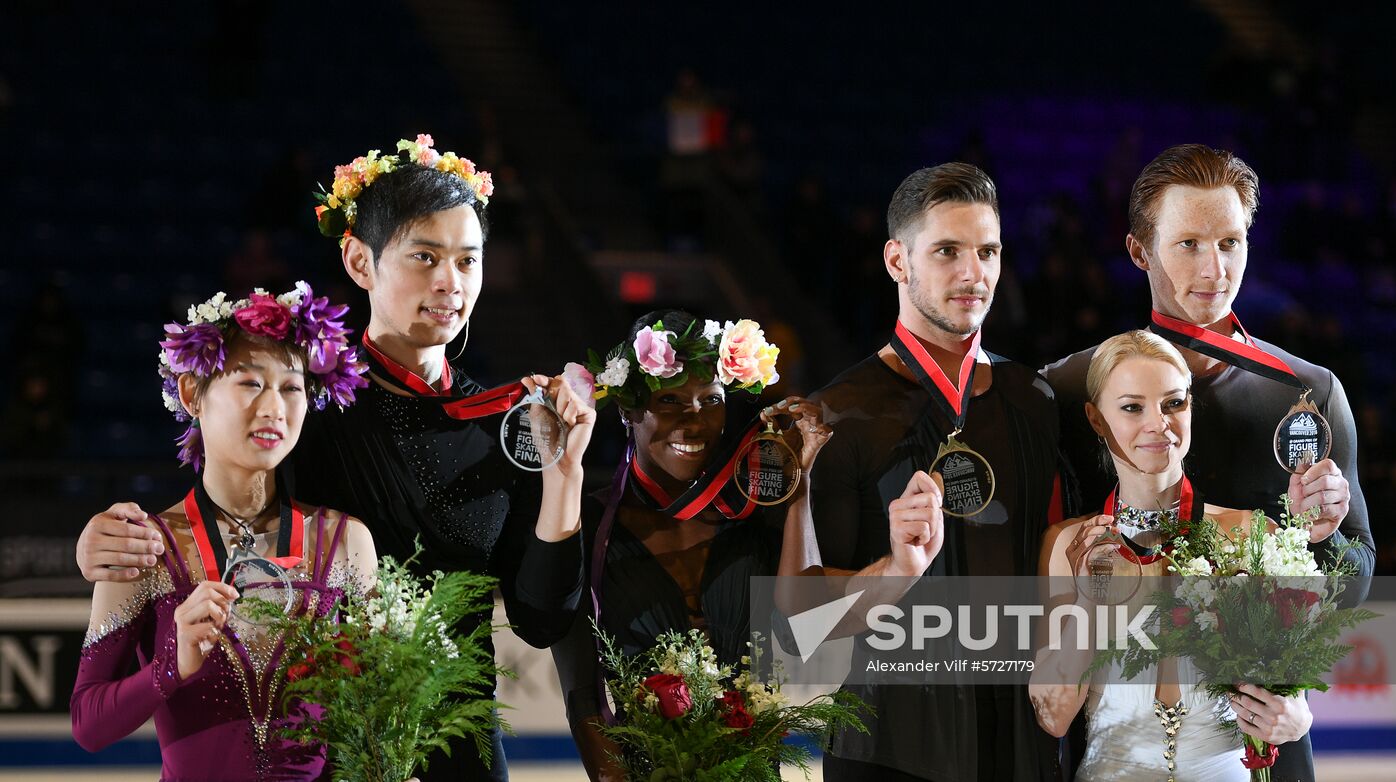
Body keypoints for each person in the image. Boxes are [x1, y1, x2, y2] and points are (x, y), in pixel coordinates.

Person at [74, 135, 596, 781]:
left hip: (462, 748)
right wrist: (107, 544)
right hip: (331, 754)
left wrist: (563, 475)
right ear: (358, 261)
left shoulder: (507, 422)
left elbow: (541, 623)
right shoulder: (303, 404)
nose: (448, 283)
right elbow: (219, 512)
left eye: (468, 261)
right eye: (424, 257)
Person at [1043, 143, 1373, 780]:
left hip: (1259, 742)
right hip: (1112, 746)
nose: (1214, 268)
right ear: (1138, 251)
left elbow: (1358, 565)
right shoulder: (1067, 389)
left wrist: (1324, 542)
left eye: (1230, 242)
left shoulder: (1306, 392)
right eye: (1188, 243)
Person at [806, 163, 1063, 781]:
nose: (973, 274)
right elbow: (801, 627)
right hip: (890, 750)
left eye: (988, 252)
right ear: (898, 261)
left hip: (1020, 741)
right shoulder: (834, 417)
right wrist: (895, 572)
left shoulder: (1035, 399)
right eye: (947, 251)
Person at [71, 285, 378, 780]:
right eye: (251, 383)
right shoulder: (145, 546)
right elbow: (88, 723)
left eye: (291, 387)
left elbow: (377, 713)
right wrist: (172, 663)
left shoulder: (345, 542)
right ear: (193, 393)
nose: (274, 407)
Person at [549, 309, 832, 780]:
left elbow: (803, 630)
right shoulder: (589, 525)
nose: (694, 418)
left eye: (712, 399)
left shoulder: (750, 513)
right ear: (626, 410)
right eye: (671, 400)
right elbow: (581, 691)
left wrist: (799, 486)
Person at [1031, 330, 1313, 781]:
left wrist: (1297, 718)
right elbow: (1053, 717)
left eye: (1173, 403)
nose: (1157, 424)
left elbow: (1290, 695)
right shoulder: (1069, 544)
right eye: (1131, 407)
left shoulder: (1250, 534)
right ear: (1096, 419)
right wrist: (1089, 599)